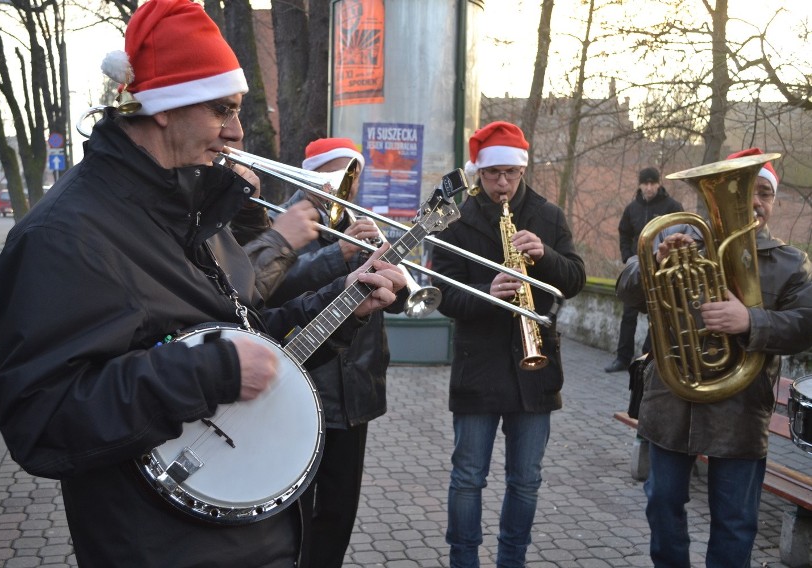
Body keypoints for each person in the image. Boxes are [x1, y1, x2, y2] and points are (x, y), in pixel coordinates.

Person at [0, 1, 405, 566]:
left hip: (250, 535)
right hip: (160, 547)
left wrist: (345, 300)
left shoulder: (192, 207)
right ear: (164, 108)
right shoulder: (63, 236)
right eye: (222, 110)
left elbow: (245, 336)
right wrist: (210, 372)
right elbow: (41, 418)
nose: (235, 132)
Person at [616, 148, 812, 567]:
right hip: (671, 404)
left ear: (772, 202)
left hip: (739, 413)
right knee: (662, 507)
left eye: (764, 193)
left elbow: (806, 324)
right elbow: (626, 289)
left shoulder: (790, 263)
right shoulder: (679, 240)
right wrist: (653, 260)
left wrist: (750, 321)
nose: (755, 202)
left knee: (735, 522)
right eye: (748, 192)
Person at [431, 121, 586, 568]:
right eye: (493, 173)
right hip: (478, 364)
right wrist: (487, 292)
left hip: (534, 368)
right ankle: (464, 560)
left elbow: (573, 279)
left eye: (511, 174)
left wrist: (547, 256)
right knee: (467, 478)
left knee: (526, 480)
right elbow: (443, 293)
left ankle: (511, 560)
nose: (502, 183)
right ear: (479, 172)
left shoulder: (548, 216)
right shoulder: (457, 220)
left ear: (522, 171)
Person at [265, 137, 404, 568]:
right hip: (304, 386)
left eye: (354, 172)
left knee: (340, 510)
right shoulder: (279, 223)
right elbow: (271, 287)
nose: (349, 181)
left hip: (354, 391)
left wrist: (393, 281)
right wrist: (338, 253)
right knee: (295, 512)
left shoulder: (362, 221)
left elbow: (390, 299)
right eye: (340, 171)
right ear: (313, 173)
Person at [604, 166, 683, 373]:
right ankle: (622, 358)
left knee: (656, 317)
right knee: (628, 315)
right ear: (640, 185)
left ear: (659, 184)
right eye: (645, 183)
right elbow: (624, 233)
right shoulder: (632, 208)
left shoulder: (672, 206)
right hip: (637, 270)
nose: (649, 188)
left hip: (662, 271)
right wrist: (626, 257)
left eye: (652, 183)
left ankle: (648, 359)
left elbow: (683, 232)